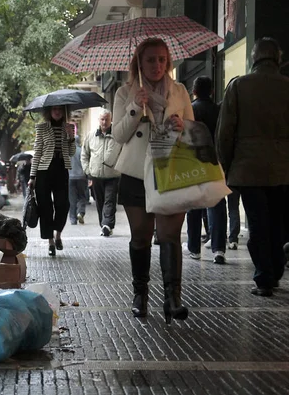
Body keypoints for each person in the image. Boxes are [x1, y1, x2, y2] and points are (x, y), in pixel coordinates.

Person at [112, 38, 194, 323]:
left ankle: (173, 298)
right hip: (136, 173)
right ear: (139, 63)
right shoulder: (125, 93)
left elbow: (192, 132)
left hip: (171, 170)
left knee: (170, 235)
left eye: (162, 59)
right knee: (141, 237)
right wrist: (136, 107)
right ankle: (140, 294)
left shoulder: (180, 91)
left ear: (168, 62)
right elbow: (119, 135)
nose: (157, 65)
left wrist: (183, 128)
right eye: (150, 60)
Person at [217, 37, 289, 297]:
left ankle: (264, 277)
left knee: (257, 222)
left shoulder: (238, 86)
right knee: (278, 221)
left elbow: (225, 132)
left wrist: (225, 163)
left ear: (253, 59)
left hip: (249, 168)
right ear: (277, 58)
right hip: (283, 168)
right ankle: (276, 268)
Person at [183, 76, 226, 264]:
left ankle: (194, 248)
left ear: (194, 91)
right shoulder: (219, 110)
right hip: (215, 161)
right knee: (217, 203)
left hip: (194, 162)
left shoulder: (190, 110)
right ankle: (219, 249)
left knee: (193, 204)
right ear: (211, 91)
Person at [28, 105, 76, 257]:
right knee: (45, 207)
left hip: (62, 169)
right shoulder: (42, 128)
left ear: (64, 112)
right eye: (54, 109)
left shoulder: (68, 127)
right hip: (44, 170)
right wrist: (32, 177)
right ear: (49, 112)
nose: (57, 112)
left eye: (60, 109)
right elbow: (37, 152)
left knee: (63, 204)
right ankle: (50, 242)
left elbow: (72, 152)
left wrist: (71, 136)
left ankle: (58, 235)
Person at [81, 109, 121, 236]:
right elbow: (84, 155)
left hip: (113, 175)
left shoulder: (118, 135)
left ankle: (107, 225)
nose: (104, 122)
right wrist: (88, 171)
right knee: (99, 201)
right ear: (99, 120)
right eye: (102, 119)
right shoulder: (91, 135)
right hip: (96, 175)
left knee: (109, 201)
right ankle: (103, 225)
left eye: (107, 119)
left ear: (111, 119)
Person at [68, 136, 89, 225]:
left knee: (72, 199)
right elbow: (85, 163)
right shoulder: (81, 151)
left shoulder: (67, 152)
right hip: (81, 177)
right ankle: (80, 212)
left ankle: (73, 219)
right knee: (81, 196)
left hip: (70, 177)